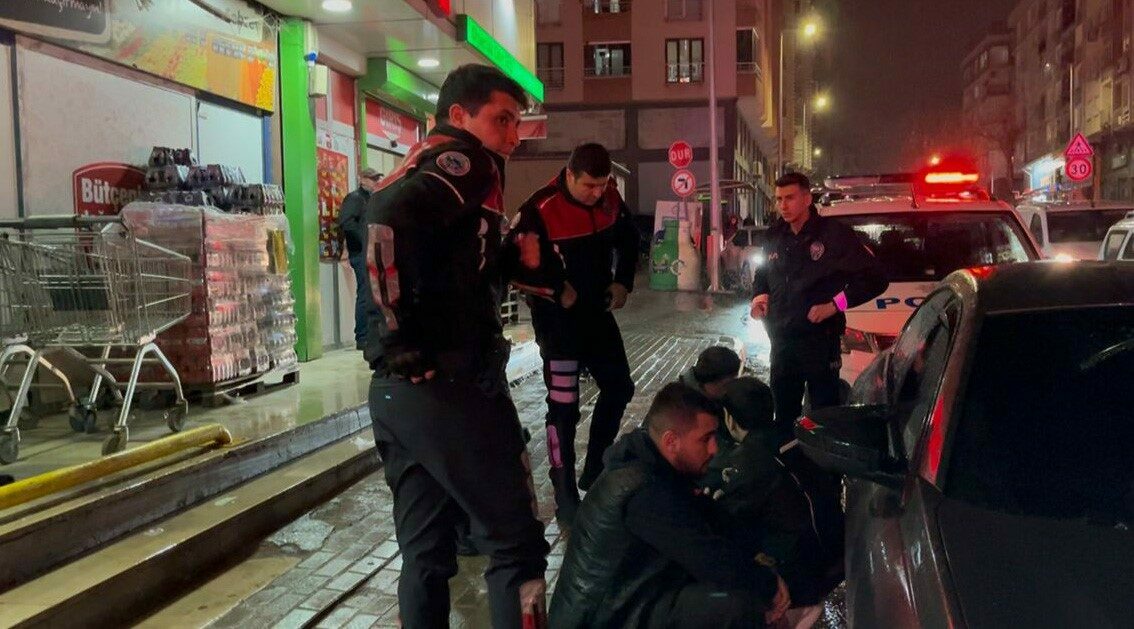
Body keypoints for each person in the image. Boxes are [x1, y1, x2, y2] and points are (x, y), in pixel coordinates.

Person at [363, 64, 548, 628]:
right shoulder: (465, 161)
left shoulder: (432, 162)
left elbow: (454, 262)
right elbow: (388, 216)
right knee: (517, 545)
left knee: (426, 554)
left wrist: (510, 259)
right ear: (460, 115)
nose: (512, 136)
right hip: (451, 390)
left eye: (517, 123)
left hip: (401, 395)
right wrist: (398, 333)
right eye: (502, 120)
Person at [549, 382, 791, 628]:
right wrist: (768, 586)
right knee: (733, 604)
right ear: (671, 441)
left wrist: (758, 555)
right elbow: (707, 556)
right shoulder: (644, 493)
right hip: (603, 618)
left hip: (631, 597)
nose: (714, 448)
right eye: (705, 439)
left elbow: (714, 519)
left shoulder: (655, 462)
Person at [503, 143, 639, 525]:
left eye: (602, 185)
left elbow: (630, 238)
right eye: (589, 186)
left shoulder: (611, 200)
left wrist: (623, 281)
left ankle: (595, 468)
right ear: (569, 175)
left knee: (620, 387)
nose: (597, 193)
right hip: (558, 325)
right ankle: (563, 490)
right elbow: (512, 266)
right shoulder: (538, 209)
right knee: (563, 407)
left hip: (597, 316)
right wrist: (556, 288)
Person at [750, 172, 888, 445]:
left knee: (824, 418)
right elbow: (763, 274)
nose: (783, 206)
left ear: (807, 199)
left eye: (790, 198)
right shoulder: (774, 236)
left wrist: (834, 306)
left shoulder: (833, 236)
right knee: (784, 416)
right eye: (779, 199)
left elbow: (875, 279)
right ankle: (788, 464)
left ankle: (822, 467)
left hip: (819, 342)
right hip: (782, 342)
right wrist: (759, 297)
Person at [705, 377, 845, 627]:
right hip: (835, 555)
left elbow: (724, 525)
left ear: (729, 419)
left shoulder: (745, 465)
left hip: (799, 582)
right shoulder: (802, 431)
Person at [339, 168, 383, 349]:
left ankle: (371, 334)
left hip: (369, 252)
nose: (375, 182)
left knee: (372, 293)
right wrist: (364, 243)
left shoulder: (371, 199)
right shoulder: (355, 198)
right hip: (360, 253)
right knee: (365, 293)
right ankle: (362, 336)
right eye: (372, 179)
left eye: (377, 179)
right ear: (362, 179)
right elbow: (347, 223)